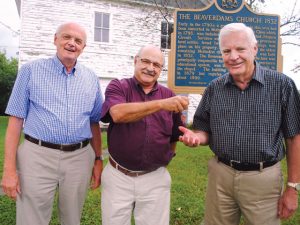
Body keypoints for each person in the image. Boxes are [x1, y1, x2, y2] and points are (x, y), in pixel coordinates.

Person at [179, 23, 300, 225]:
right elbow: (204, 130)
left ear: (255, 49)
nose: (233, 56)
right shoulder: (214, 88)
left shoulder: (282, 85)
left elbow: (294, 137)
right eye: (226, 51)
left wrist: (292, 187)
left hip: (264, 180)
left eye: (240, 49)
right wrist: (196, 137)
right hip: (221, 177)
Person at [1, 22, 104, 225]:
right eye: (66, 37)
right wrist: (9, 170)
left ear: (83, 47)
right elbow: (15, 121)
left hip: (80, 157)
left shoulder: (91, 78)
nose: (72, 43)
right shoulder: (30, 71)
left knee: (72, 219)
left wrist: (98, 159)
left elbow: (94, 123)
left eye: (78, 41)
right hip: (37, 156)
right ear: (55, 39)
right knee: (31, 219)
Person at [100, 45, 189, 225]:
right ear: (135, 61)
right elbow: (117, 114)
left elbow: (174, 136)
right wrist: (161, 104)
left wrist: (168, 157)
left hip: (155, 178)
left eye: (156, 65)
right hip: (119, 176)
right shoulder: (119, 86)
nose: (150, 68)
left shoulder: (168, 95)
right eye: (146, 61)